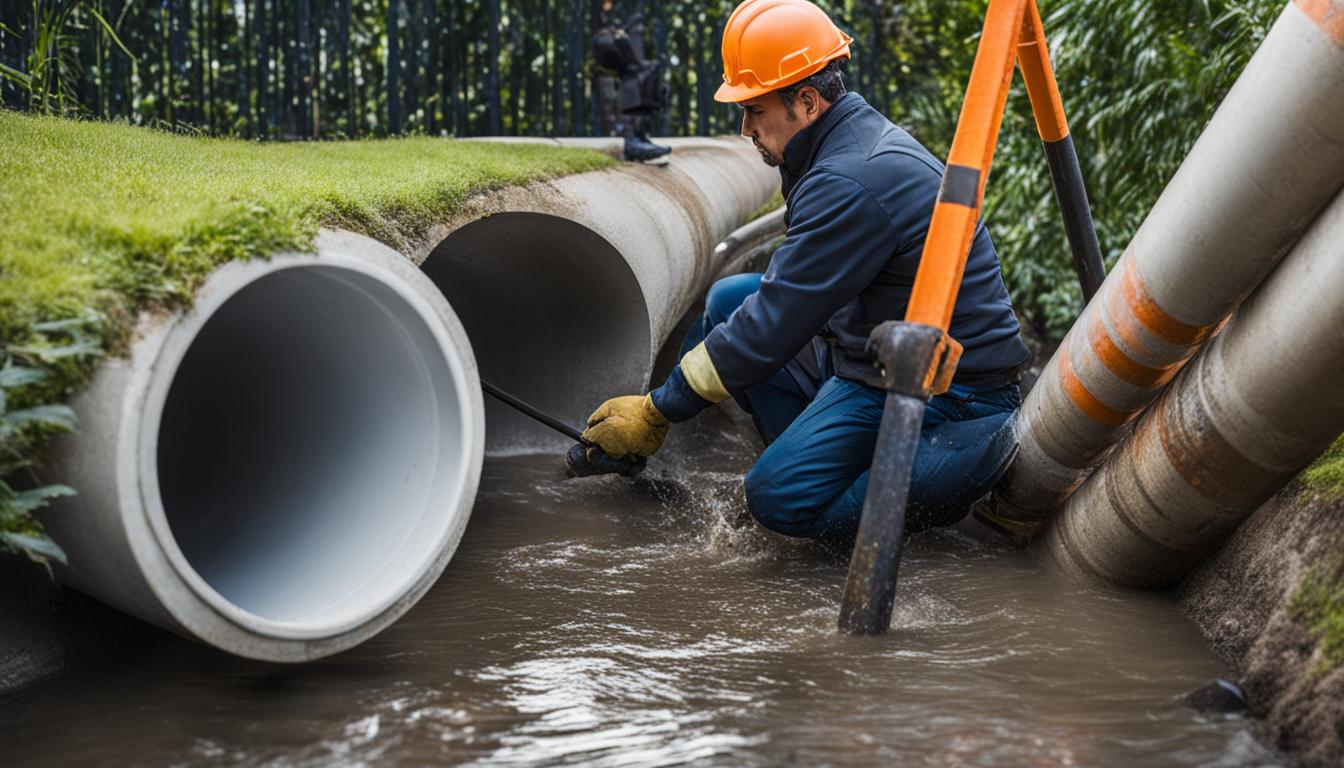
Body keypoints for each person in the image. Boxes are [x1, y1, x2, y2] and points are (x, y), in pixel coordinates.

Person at [581, 0, 1030, 540]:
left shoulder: (849, 179)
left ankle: (957, 470)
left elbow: (771, 326)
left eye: (755, 109)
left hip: (952, 395)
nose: (744, 127)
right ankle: (811, 454)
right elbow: (774, 307)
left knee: (773, 498)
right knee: (727, 301)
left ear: (808, 101)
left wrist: (657, 410)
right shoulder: (834, 143)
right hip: (873, 352)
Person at [592, 0, 672, 162]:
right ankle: (630, 138)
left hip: (624, 31)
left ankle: (639, 134)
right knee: (633, 72)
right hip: (606, 36)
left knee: (648, 71)